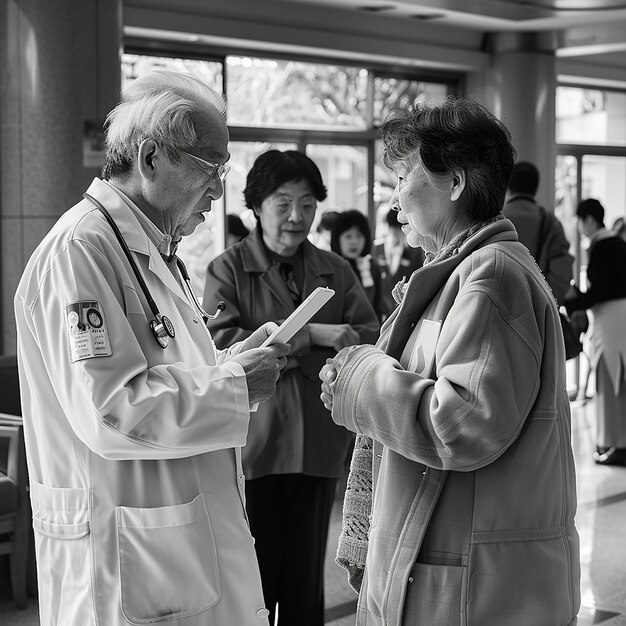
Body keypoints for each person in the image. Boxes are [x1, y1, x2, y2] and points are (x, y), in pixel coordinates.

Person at [13, 70, 291, 626]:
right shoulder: (80, 252)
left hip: (171, 541)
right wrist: (234, 385)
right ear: (150, 158)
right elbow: (111, 411)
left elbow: (166, 370)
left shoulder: (152, 249)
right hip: (123, 556)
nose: (219, 191)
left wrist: (229, 365)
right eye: (213, 168)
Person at [319, 98, 580, 625]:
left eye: (402, 177)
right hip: (459, 569)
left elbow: (461, 423)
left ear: (455, 182)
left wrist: (360, 379)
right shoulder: (465, 271)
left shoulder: (490, 276)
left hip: (475, 588)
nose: (395, 201)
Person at [203, 150, 380, 626]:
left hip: (318, 444)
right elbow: (220, 346)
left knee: (305, 582)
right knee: (254, 581)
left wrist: (329, 339)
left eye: (307, 204)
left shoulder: (335, 271)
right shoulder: (227, 269)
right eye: (283, 203)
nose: (296, 217)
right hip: (254, 446)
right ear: (257, 207)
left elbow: (367, 336)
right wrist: (314, 336)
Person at [565, 198, 626, 466]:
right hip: (616, 319)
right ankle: (616, 442)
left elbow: (599, 291)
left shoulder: (602, 245)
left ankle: (616, 443)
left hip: (611, 321)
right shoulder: (617, 243)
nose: (578, 227)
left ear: (588, 219)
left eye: (578, 220)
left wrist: (572, 299)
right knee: (616, 378)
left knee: (611, 378)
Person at [503, 161, 573, 305]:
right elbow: (562, 272)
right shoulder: (550, 223)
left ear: (509, 186)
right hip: (537, 311)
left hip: (499, 309)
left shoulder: (494, 219)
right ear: (535, 187)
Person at [372, 206, 425, 321]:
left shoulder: (415, 253)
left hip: (401, 313)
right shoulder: (375, 249)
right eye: (393, 229)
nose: (397, 234)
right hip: (378, 314)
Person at [330, 209, 383, 320]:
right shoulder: (331, 268)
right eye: (348, 236)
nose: (354, 241)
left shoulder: (373, 267)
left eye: (359, 236)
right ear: (337, 239)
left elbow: (378, 307)